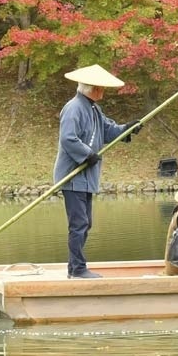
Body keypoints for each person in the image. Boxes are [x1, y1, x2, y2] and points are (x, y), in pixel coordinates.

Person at [54, 64, 141, 279]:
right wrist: (86, 154)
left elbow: (107, 130)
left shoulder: (93, 109)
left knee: (85, 223)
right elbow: (68, 138)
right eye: (100, 88)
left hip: (85, 177)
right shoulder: (74, 108)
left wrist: (127, 129)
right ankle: (77, 269)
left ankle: (76, 267)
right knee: (79, 223)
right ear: (92, 88)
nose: (102, 92)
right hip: (73, 176)